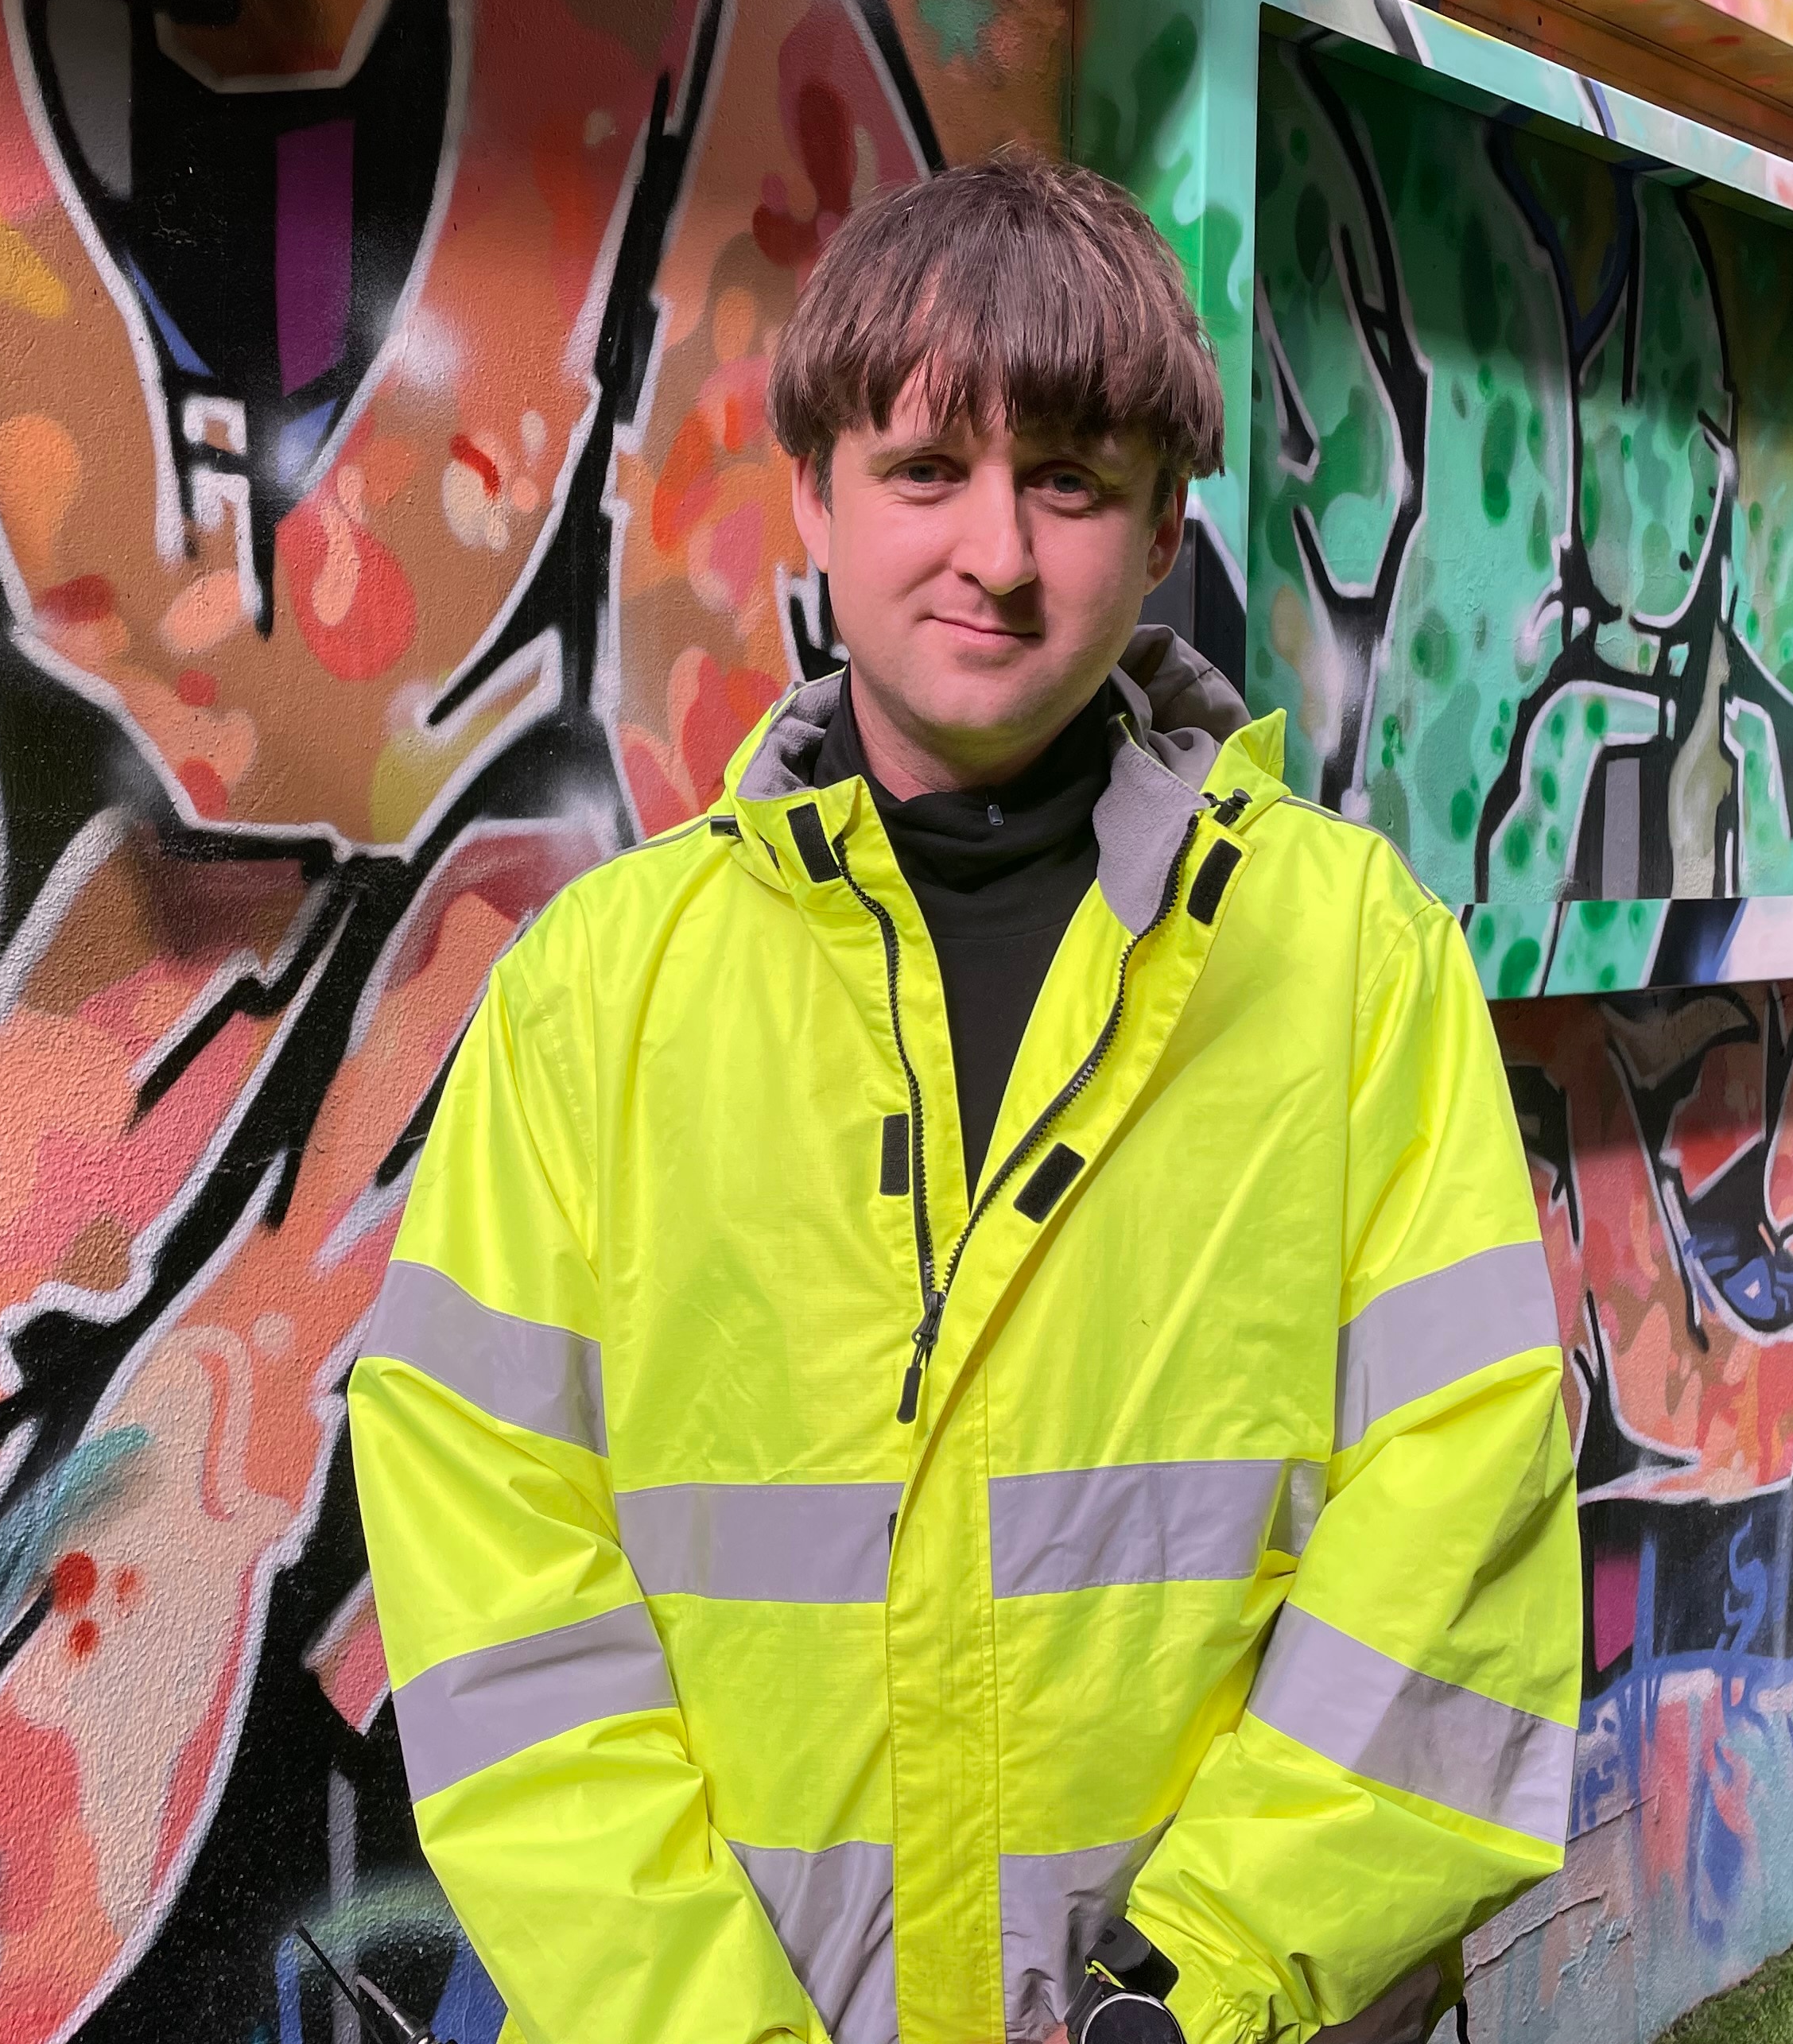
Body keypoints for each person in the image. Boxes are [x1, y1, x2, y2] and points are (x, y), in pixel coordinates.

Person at [350, 149, 1579, 2044]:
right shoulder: (595, 996)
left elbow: (1462, 1500)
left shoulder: (1354, 964)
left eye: (1069, 482)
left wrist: (1196, 1993)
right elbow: (491, 1567)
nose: (995, 554)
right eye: (928, 472)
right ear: (820, 503)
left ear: (1164, 526)